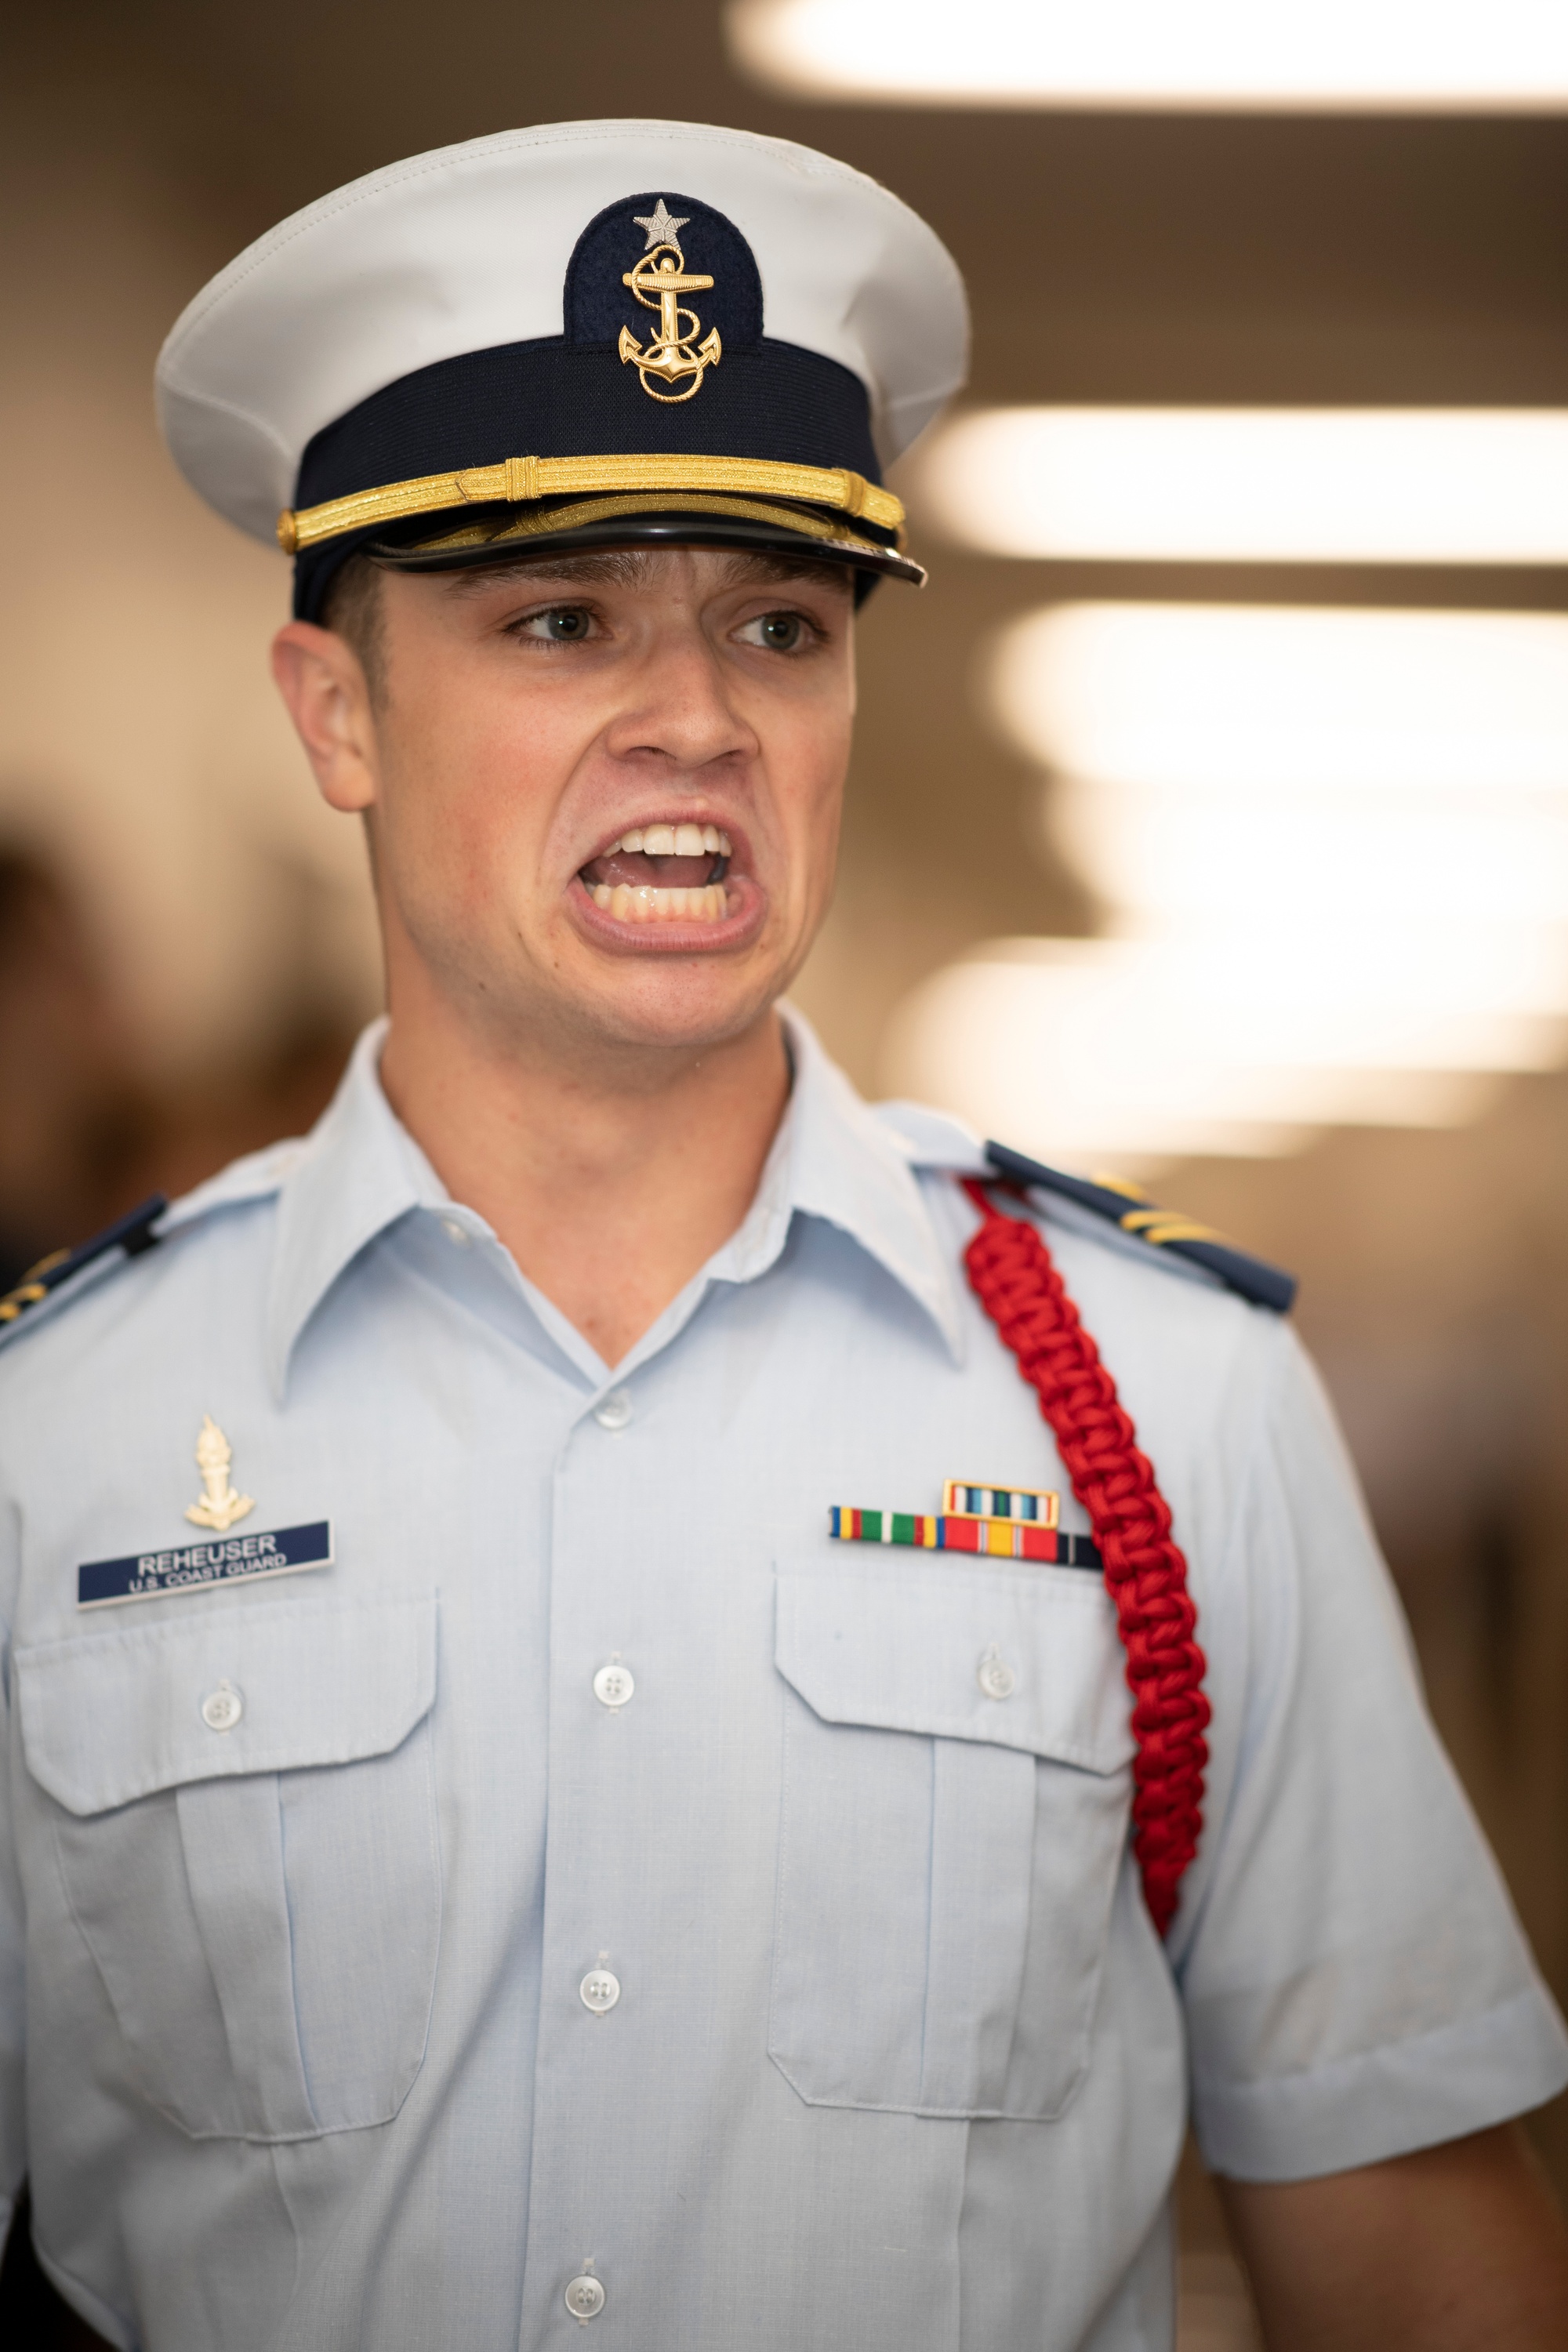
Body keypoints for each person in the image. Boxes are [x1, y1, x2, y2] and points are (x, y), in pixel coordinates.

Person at [1, 118, 1566, 2352]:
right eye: (560, 621)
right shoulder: (57, 1447)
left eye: (780, 624)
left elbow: (1417, 2263)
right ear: (333, 714)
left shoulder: (1161, 1407)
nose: (699, 722)